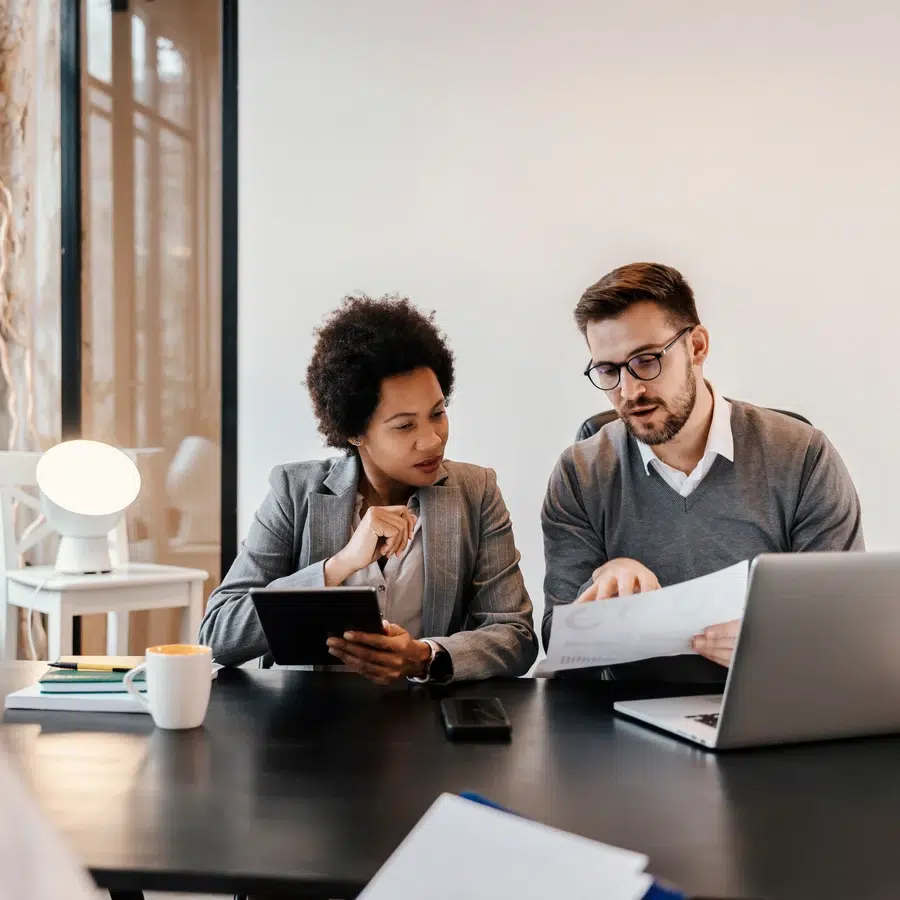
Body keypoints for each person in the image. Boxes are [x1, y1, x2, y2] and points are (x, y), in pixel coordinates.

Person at [542, 262, 863, 681]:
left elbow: (843, 622)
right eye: (608, 370)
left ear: (696, 347)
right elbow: (559, 647)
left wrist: (772, 644)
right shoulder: (580, 473)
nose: (629, 390)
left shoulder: (802, 455)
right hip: (626, 717)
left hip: (769, 702)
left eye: (646, 360)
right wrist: (602, 591)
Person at [201, 294, 538, 683]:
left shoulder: (476, 492)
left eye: (438, 414)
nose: (432, 441)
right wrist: (338, 565)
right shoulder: (294, 491)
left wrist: (424, 657)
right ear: (354, 432)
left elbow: (517, 636)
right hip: (306, 723)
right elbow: (218, 635)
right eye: (404, 425)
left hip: (425, 723)